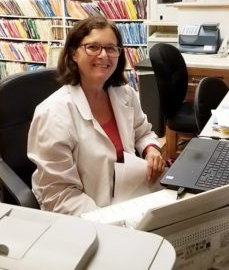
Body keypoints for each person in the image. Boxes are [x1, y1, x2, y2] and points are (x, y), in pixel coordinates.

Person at [27, 16, 166, 216]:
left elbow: (143, 133)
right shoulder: (53, 114)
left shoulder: (124, 94)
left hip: (130, 198)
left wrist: (151, 150)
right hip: (87, 215)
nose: (104, 55)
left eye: (111, 48)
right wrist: (108, 220)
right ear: (74, 53)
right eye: (93, 47)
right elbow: (59, 195)